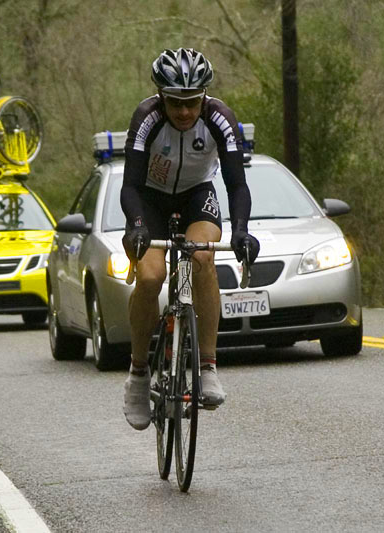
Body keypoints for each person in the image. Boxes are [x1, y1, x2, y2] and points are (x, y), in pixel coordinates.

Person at [120, 48, 260, 430]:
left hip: (197, 194)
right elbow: (129, 184)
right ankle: (137, 374)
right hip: (149, 199)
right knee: (150, 278)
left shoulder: (220, 118)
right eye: (175, 103)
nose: (184, 112)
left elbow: (236, 184)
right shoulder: (146, 118)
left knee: (202, 258)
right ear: (161, 97)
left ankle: (208, 365)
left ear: (204, 96)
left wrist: (242, 230)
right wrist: (136, 225)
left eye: (192, 102)